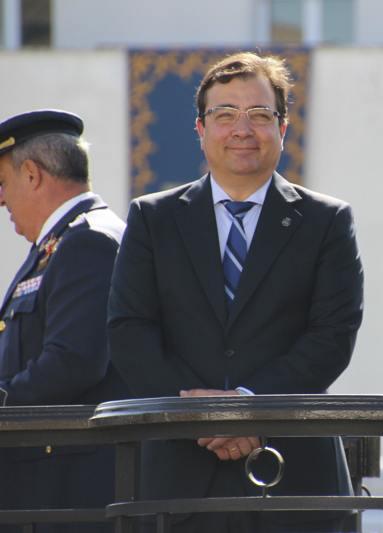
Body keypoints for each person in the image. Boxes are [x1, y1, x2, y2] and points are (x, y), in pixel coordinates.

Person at [106, 52, 364, 532]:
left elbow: (332, 335)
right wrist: (200, 415)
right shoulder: (152, 219)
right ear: (201, 129)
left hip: (296, 481)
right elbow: (129, 331)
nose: (242, 129)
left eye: (260, 115)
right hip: (178, 484)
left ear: (283, 128)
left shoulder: (327, 221)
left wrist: (250, 406)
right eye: (225, 115)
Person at [0, 110, 131, 532]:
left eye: (3, 182)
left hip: (63, 496)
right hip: (44, 486)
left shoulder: (88, 240)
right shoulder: (67, 241)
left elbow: (73, 361)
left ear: (31, 174)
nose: (1, 199)